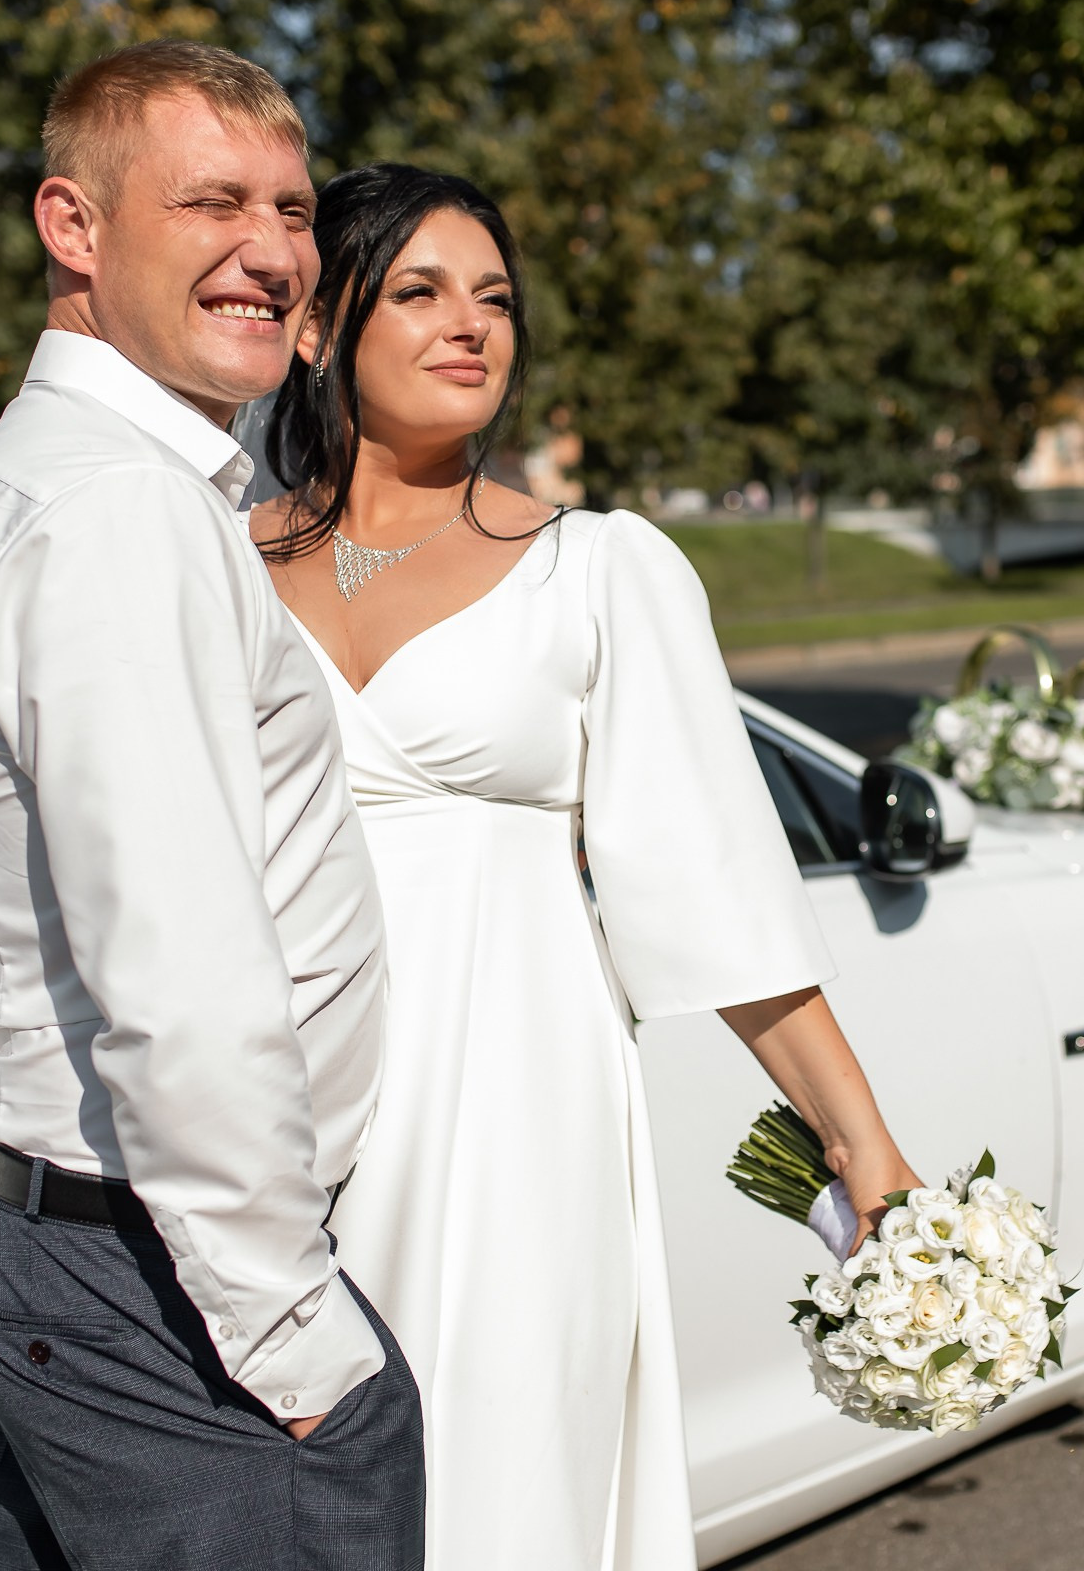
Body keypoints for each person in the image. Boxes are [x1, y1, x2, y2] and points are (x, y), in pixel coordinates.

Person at [245, 163, 925, 1571]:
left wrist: (864, 1146)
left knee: (499, 1478)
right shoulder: (210, 560)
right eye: (422, 291)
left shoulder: (602, 572)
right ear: (318, 327)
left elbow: (717, 895)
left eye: (494, 299)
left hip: (517, 1100)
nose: (471, 325)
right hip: (263, 1109)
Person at [0, 42, 423, 1570]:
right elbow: (179, 980)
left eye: (291, 206)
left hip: (94, 1260)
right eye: (212, 203)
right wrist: (299, 1346)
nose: (272, 250)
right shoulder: (114, 512)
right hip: (159, 1291)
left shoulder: (75, 479)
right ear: (73, 225)